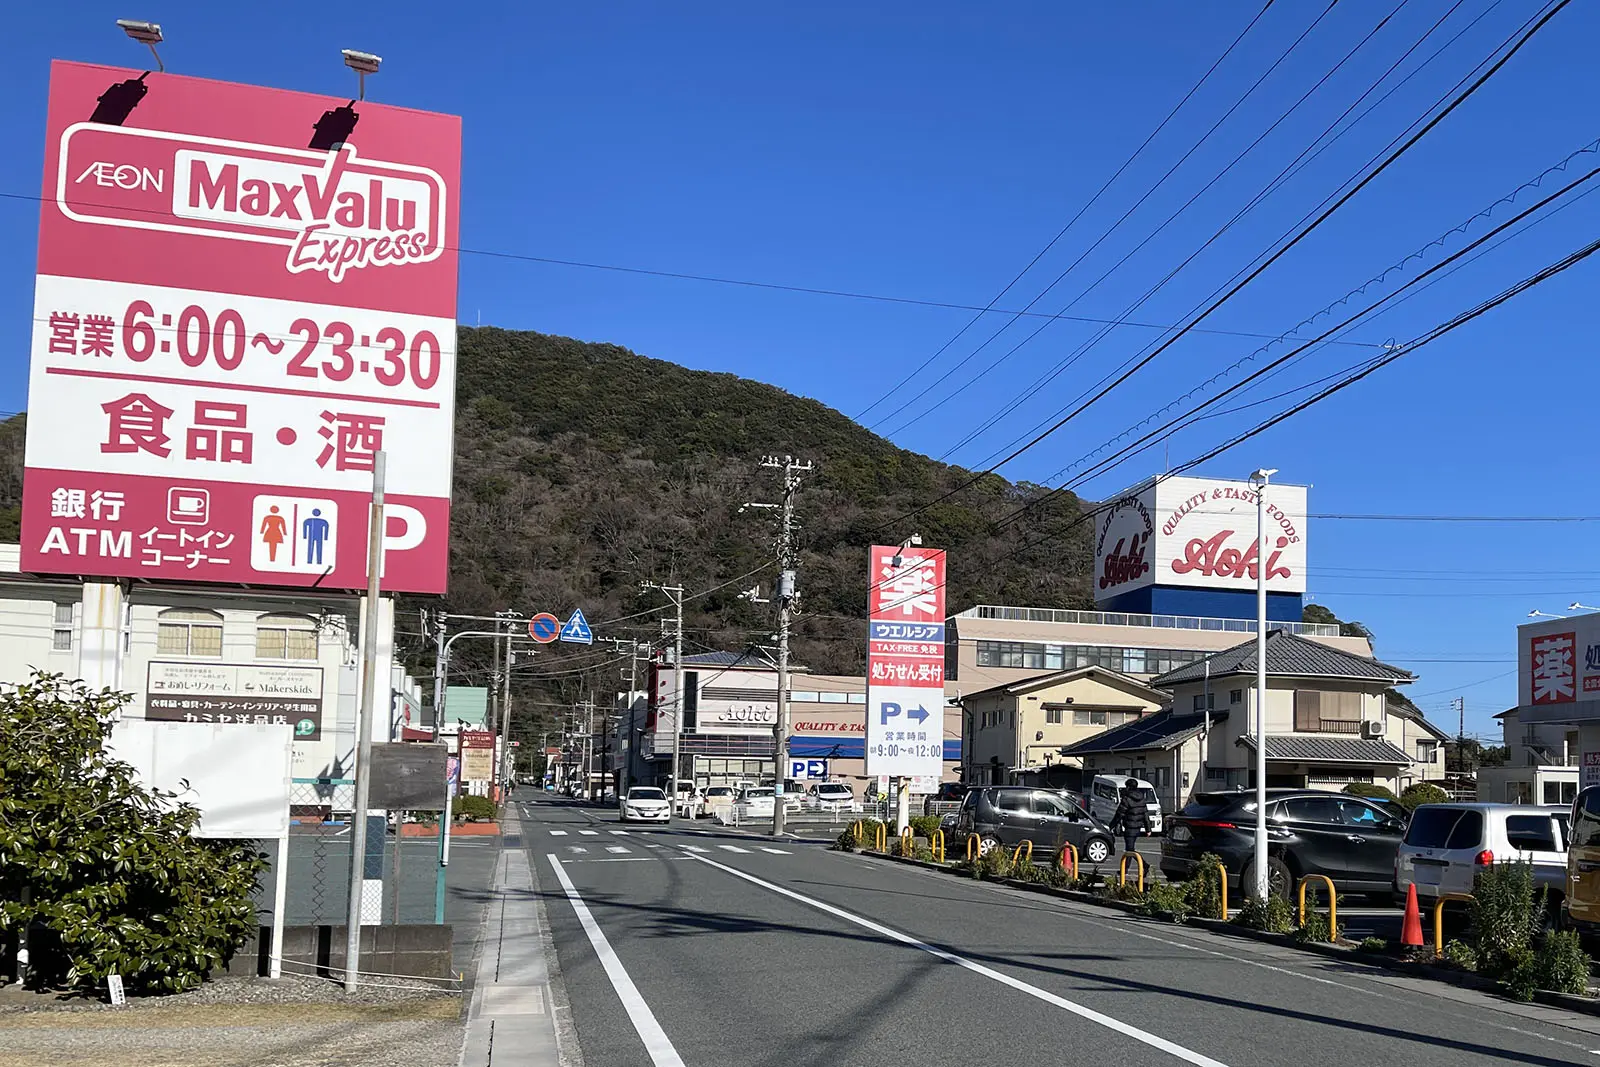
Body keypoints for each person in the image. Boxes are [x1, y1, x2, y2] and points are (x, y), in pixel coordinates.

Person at [1109, 778, 1149, 856]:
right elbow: (1145, 814)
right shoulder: (1142, 799)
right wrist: (1148, 829)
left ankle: (1142, 866)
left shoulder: (1126, 799)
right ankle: (1141, 866)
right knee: (1130, 849)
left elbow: (1119, 814)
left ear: (1128, 787)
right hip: (1138, 827)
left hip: (1129, 827)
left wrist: (1111, 826)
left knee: (1130, 850)